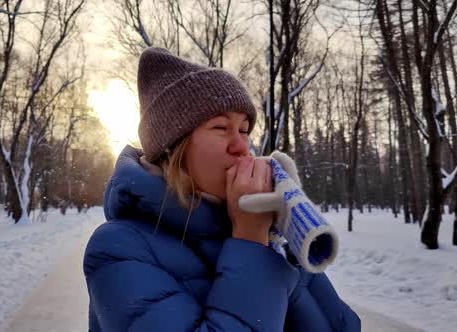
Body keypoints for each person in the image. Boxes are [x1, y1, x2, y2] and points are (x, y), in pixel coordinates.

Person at [83, 47, 360, 332]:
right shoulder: (118, 248)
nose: (242, 147)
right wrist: (250, 242)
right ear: (174, 148)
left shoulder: (264, 231)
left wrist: (277, 239)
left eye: (243, 130)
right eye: (220, 127)